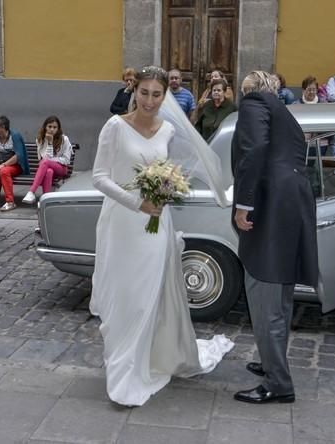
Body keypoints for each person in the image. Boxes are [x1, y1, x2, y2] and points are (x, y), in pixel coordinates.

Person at [90, 66, 232, 407]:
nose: (150, 101)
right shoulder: (115, 126)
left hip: (157, 225)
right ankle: (123, 363)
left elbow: (173, 171)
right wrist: (137, 202)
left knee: (147, 295)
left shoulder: (168, 129)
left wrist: (165, 192)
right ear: (133, 91)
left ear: (165, 95)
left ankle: (143, 362)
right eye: (144, 93)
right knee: (125, 296)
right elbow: (99, 176)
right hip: (123, 223)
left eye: (157, 95)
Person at [231, 71, 318, 404]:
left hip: (269, 209)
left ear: (250, 89)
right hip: (290, 208)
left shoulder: (254, 103)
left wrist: (243, 204)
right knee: (279, 295)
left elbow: (253, 151)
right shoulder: (285, 113)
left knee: (264, 293)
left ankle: (278, 382)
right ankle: (271, 362)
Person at [22, 115, 73, 204]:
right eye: (49, 126)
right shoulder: (40, 139)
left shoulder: (64, 139)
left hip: (61, 169)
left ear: (58, 128)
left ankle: (31, 192)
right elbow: (45, 158)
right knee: (49, 171)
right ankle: (46, 200)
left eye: (55, 127)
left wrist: (52, 159)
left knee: (45, 162)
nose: (52, 129)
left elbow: (66, 160)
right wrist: (49, 142)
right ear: (45, 127)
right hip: (47, 167)